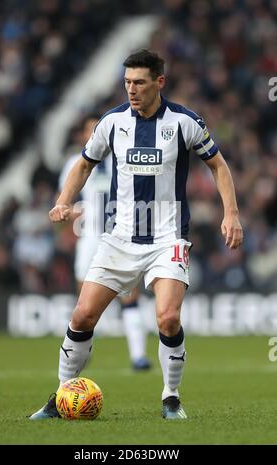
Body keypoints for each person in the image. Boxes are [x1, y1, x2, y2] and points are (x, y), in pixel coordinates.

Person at [29, 49, 243, 420]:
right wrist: (64, 200)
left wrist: (232, 214)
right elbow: (83, 164)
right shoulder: (112, 122)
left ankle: (171, 398)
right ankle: (61, 396)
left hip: (168, 237)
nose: (132, 89)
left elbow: (218, 166)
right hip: (120, 238)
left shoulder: (184, 122)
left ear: (159, 82)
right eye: (127, 82)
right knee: (81, 317)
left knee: (167, 319)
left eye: (140, 82)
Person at [58, 114, 151, 370]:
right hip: (89, 238)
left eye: (96, 130)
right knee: (84, 305)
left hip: (119, 238)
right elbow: (64, 200)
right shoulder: (74, 163)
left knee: (129, 296)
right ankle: (80, 358)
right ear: (81, 135)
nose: (93, 135)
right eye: (89, 131)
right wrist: (72, 210)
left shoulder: (122, 159)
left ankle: (138, 356)